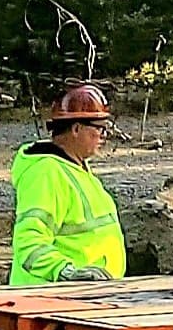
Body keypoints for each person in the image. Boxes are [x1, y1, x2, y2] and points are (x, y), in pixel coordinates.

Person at [10, 82, 125, 288]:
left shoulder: (75, 169)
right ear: (76, 128)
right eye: (99, 128)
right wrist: (65, 272)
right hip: (46, 301)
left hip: (83, 296)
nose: (104, 136)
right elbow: (29, 243)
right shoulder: (45, 173)